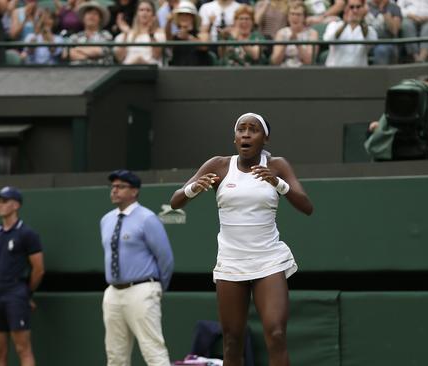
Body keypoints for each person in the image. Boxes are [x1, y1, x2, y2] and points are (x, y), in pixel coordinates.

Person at [170, 113, 313, 366]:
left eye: (253, 129)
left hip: (269, 261)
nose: (246, 134)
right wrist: (194, 188)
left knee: (277, 334)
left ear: (265, 138)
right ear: (235, 138)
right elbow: (175, 201)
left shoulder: (277, 165)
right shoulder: (219, 165)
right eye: (241, 129)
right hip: (231, 262)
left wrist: (278, 183)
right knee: (232, 341)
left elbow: (306, 206)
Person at [100, 169, 174, 366]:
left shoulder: (147, 218)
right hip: (113, 293)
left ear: (134, 191)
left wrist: (156, 288)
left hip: (142, 289)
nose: (114, 190)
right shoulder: (106, 220)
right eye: (113, 186)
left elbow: (165, 258)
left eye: (120, 187)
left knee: (153, 350)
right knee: (115, 354)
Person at [0, 186, 45, 366]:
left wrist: (26, 294)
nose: (0, 205)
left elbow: (39, 269)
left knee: (23, 349)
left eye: (5, 201)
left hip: (16, 292)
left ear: (16, 205)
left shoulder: (27, 234)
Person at [324, 0, 377, 67]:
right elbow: (329, 39)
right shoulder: (334, 25)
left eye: (358, 7)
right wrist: (345, 23)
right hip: (335, 71)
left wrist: (361, 22)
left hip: (358, 72)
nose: (355, 10)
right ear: (345, 8)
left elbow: (371, 41)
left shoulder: (369, 29)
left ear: (363, 9)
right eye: (351, 7)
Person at [114, 0, 166, 65]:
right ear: (137, 14)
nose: (144, 13)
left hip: (151, 70)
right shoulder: (126, 34)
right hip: (128, 69)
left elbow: (156, 55)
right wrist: (125, 34)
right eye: (141, 10)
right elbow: (120, 58)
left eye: (148, 10)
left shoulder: (160, 34)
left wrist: (151, 34)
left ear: (153, 15)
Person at [63, 1, 114, 65]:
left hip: (101, 72)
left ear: (100, 19)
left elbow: (100, 51)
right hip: (76, 72)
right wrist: (89, 57)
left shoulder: (106, 35)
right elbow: (65, 54)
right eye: (89, 13)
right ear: (83, 17)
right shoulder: (75, 36)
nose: (91, 16)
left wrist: (77, 49)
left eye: (95, 14)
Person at [271, 2, 318, 67]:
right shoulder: (281, 33)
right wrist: (285, 44)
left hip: (305, 71)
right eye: (292, 14)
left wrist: (297, 43)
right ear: (288, 16)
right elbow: (275, 61)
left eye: (298, 14)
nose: (295, 17)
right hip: (284, 70)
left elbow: (309, 61)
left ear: (304, 17)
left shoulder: (312, 33)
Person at [166, 0, 211, 66]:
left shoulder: (201, 34)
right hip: (177, 73)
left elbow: (204, 47)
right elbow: (168, 40)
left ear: (193, 17)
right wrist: (168, 22)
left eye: (187, 14)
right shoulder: (175, 36)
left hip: (197, 72)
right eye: (181, 14)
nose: (184, 16)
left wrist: (188, 37)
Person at [366, 0, 401, 64]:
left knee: (381, 50)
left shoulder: (394, 7)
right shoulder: (363, 6)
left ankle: (378, 74)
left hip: (386, 43)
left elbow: (394, 31)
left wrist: (383, 10)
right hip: (366, 42)